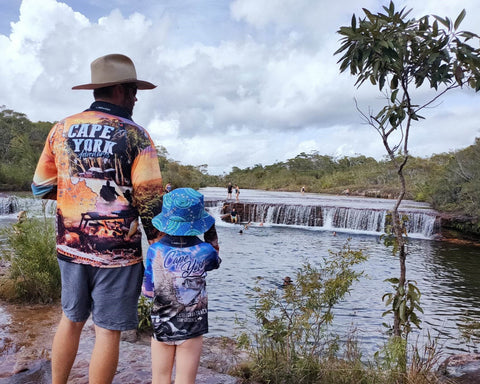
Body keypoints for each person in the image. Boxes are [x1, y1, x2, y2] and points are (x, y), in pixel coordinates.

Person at [31, 53, 167, 384]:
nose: (136, 97)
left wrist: (71, 200)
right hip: (118, 255)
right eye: (134, 90)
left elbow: (39, 188)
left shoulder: (60, 129)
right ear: (119, 90)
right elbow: (149, 202)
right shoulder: (137, 136)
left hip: (71, 247)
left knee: (70, 319)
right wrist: (161, 249)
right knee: (107, 333)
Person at [142, 188, 221, 384]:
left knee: (160, 378)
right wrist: (211, 232)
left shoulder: (155, 250)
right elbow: (216, 261)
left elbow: (148, 291)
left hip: (162, 324)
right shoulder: (205, 250)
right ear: (200, 224)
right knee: (185, 380)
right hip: (192, 326)